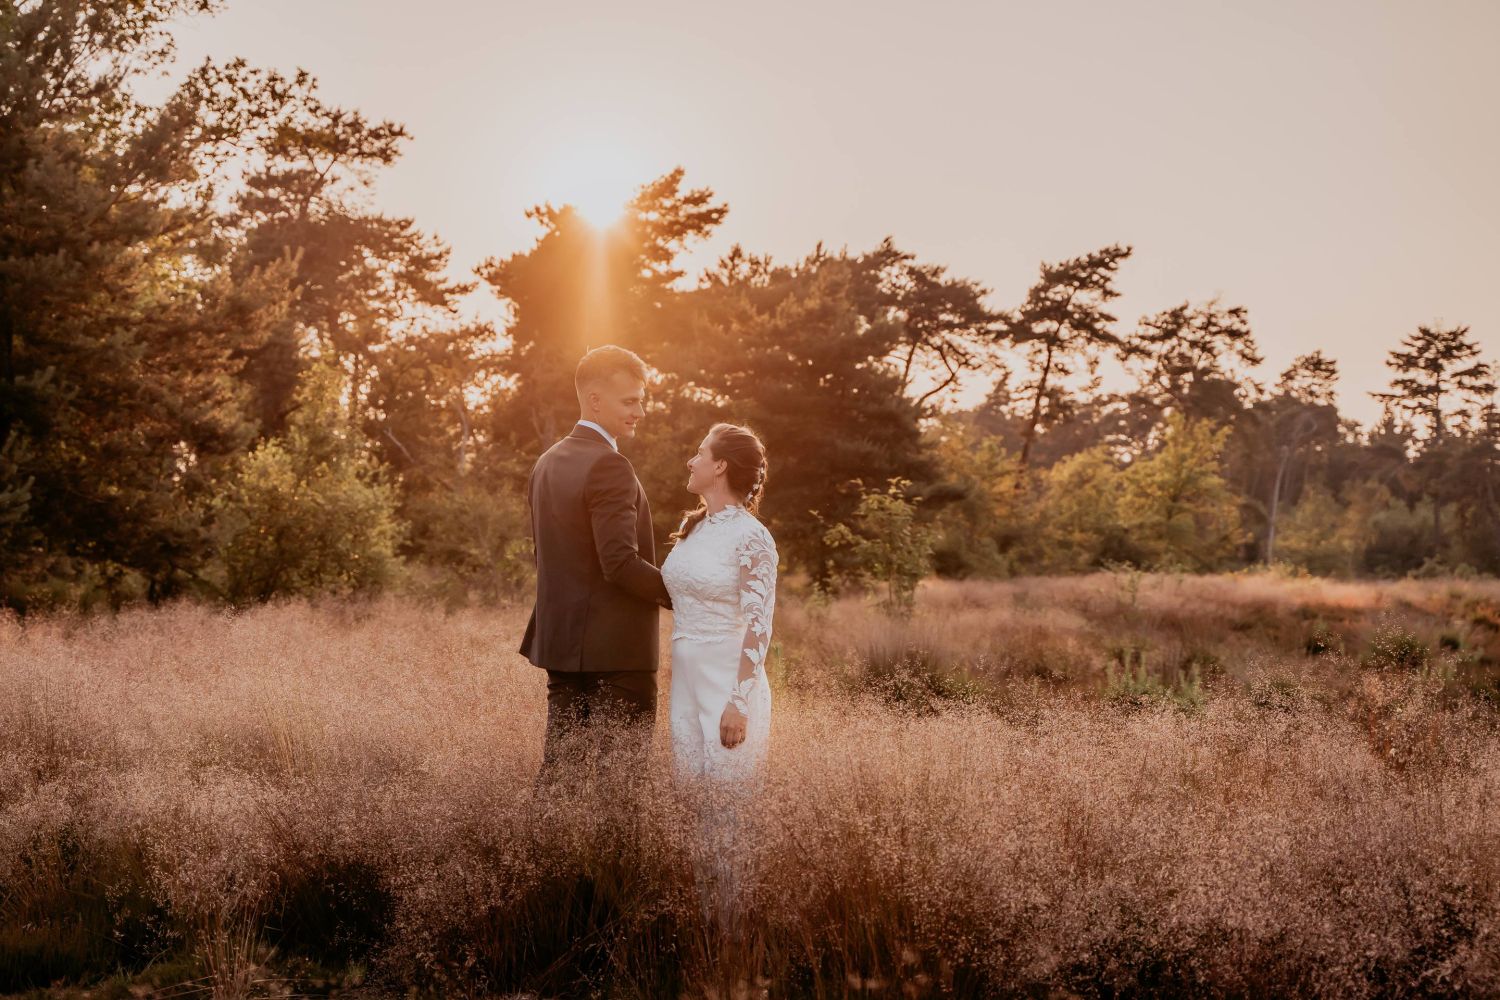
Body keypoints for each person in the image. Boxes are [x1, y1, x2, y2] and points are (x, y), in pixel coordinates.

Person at [518, 345, 672, 776]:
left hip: (562, 647)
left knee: (560, 779)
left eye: (641, 400)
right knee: (620, 789)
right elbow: (619, 562)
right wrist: (687, 594)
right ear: (595, 400)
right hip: (618, 655)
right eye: (630, 401)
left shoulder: (546, 463)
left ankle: (546, 847)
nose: (639, 412)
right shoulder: (610, 465)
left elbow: (546, 555)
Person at [661, 422, 778, 923]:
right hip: (684, 686)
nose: (691, 461)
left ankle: (732, 939)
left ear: (721, 466)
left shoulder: (753, 538)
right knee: (692, 806)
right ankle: (701, 926)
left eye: (699, 453)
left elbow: (759, 625)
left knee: (728, 814)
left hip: (728, 687)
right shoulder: (697, 528)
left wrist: (739, 701)